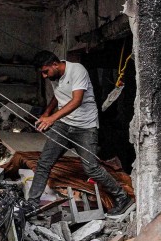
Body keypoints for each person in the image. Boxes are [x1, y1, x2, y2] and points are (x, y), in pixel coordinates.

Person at [24, 50, 134, 217]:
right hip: (64, 124)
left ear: (55, 64)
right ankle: (31, 203)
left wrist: (52, 118)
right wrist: (47, 112)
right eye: (42, 73)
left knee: (91, 168)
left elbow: (77, 100)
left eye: (46, 71)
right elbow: (58, 95)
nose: (45, 76)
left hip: (85, 127)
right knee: (44, 163)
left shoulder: (77, 70)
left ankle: (123, 198)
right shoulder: (55, 76)